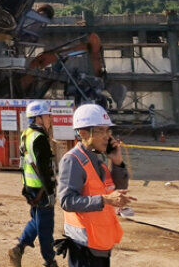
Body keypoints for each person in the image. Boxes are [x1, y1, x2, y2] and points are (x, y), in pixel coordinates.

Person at [56, 103, 135, 267]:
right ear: (83, 133)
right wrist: (104, 199)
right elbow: (66, 201)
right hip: (84, 246)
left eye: (108, 130)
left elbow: (116, 188)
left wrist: (117, 162)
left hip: (100, 241)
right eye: (100, 130)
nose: (107, 136)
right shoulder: (73, 160)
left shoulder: (97, 160)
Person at [8, 101, 58, 267]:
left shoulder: (26, 134)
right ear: (38, 118)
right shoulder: (40, 138)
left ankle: (19, 248)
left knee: (37, 221)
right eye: (47, 115)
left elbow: (24, 163)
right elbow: (44, 169)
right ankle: (49, 261)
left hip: (31, 188)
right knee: (45, 227)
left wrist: (25, 187)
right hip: (42, 190)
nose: (50, 118)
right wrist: (50, 192)